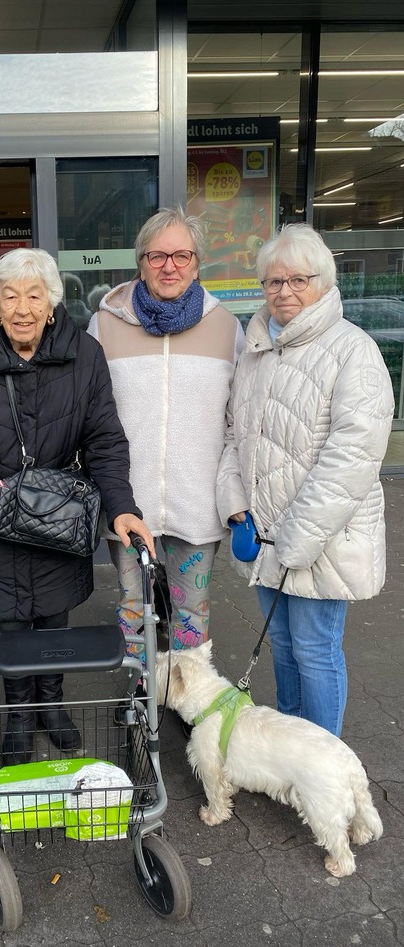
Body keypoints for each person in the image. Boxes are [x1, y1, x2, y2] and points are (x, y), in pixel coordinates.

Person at [0, 247, 155, 764]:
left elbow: (104, 438)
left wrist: (121, 506)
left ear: (52, 302)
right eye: (10, 295)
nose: (22, 307)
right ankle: (18, 713)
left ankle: (52, 707)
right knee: (8, 622)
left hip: (59, 516)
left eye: (34, 295)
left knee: (54, 617)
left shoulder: (84, 354)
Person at [216, 223, 394, 737]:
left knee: (315, 650)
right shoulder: (256, 351)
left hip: (321, 539)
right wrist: (234, 506)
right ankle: (292, 751)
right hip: (265, 535)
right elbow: (234, 435)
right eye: (274, 282)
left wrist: (295, 539)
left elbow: (352, 459)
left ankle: (325, 769)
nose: (285, 291)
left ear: (324, 283)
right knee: (285, 648)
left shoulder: (352, 351)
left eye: (299, 279)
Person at [88, 207, 244, 660]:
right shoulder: (105, 324)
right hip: (128, 502)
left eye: (181, 256)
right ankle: (141, 698)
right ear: (141, 262)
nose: (169, 266)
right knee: (133, 607)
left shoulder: (226, 327)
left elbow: (238, 419)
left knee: (191, 611)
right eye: (157, 256)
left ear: (197, 265)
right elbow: (92, 414)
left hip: (197, 502)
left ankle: (186, 694)